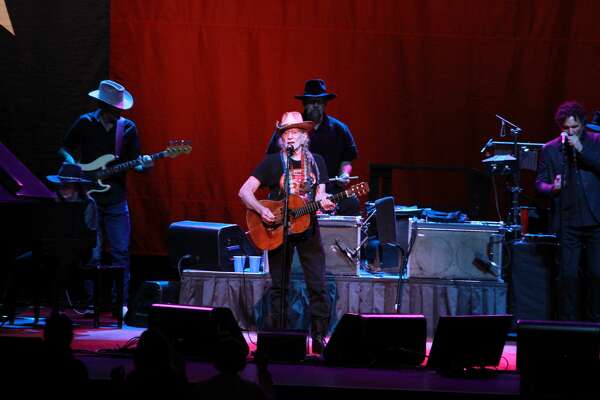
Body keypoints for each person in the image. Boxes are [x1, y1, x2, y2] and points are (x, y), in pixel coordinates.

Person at [239, 111, 335, 353]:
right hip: (278, 229)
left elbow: (321, 193)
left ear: (304, 136)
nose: (290, 137)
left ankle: (319, 336)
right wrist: (261, 210)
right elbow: (244, 192)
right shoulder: (272, 162)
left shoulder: (317, 162)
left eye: (295, 132)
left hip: (308, 229)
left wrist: (325, 202)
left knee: (318, 284)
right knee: (279, 286)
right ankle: (277, 337)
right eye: (286, 133)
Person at [58, 79, 153, 314]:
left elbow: (136, 163)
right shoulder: (85, 122)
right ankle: (90, 302)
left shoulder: (128, 128)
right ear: (104, 106)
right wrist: (74, 167)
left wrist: (146, 165)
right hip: (89, 196)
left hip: (116, 197)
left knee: (120, 250)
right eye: (116, 108)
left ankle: (119, 302)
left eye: (120, 108)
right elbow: (64, 148)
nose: (119, 111)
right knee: (94, 251)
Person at [535, 100, 600, 321]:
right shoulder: (550, 149)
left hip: (595, 220)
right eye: (566, 128)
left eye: (575, 127)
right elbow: (539, 183)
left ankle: (594, 323)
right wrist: (552, 187)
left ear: (583, 123)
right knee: (568, 276)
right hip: (567, 221)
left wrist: (581, 150)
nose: (571, 132)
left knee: (596, 274)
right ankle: (568, 325)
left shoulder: (596, 142)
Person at [266, 79, 359, 215]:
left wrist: (344, 174)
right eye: (311, 102)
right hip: (294, 190)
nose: (315, 105)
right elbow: (272, 158)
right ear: (304, 104)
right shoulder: (289, 128)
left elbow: (347, 159)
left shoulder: (339, 129)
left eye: (319, 102)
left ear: (325, 104)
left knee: (351, 203)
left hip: (329, 190)